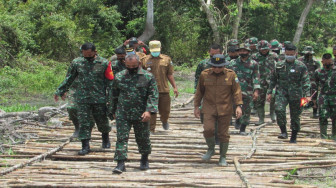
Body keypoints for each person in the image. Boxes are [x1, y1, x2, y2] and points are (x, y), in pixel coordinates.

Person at [54, 42, 113, 155]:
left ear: (95, 52)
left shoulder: (104, 63)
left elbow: (110, 82)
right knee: (84, 122)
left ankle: (105, 138)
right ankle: (85, 146)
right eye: (84, 54)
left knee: (102, 120)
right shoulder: (77, 62)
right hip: (82, 98)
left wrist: (110, 97)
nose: (87, 57)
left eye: (89, 54)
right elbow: (69, 78)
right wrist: (60, 90)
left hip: (99, 98)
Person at [111, 54, 158, 174]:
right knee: (121, 138)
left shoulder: (148, 77)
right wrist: (112, 111)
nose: (131, 68)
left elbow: (153, 95)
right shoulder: (119, 76)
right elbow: (113, 95)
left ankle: (144, 159)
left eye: (134, 66)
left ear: (139, 64)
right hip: (123, 112)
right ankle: (120, 163)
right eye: (128, 66)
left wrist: (149, 111)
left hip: (141, 113)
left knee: (142, 138)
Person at [194, 54, 243, 166]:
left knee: (223, 133)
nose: (217, 69)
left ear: (224, 66)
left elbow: (237, 92)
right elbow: (199, 91)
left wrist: (239, 106)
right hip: (208, 108)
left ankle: (222, 156)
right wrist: (196, 106)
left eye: (219, 67)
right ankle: (211, 149)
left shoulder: (231, 75)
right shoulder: (204, 74)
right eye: (214, 66)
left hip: (225, 108)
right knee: (208, 129)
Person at [267, 44, 311, 143]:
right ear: (285, 53)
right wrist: (269, 92)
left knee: (295, 116)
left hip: (296, 94)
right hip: (282, 92)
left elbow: (306, 81)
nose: (289, 56)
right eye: (288, 54)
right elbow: (273, 79)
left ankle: (294, 136)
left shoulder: (301, 66)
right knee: (279, 109)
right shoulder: (279, 65)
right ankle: (283, 131)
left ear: (296, 53)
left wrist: (308, 95)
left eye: (292, 54)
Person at [142, 40, 178, 133]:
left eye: (157, 50)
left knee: (165, 111)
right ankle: (151, 129)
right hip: (149, 91)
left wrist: (175, 87)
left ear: (160, 49)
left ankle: (164, 120)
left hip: (163, 90)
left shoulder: (166, 59)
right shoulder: (144, 60)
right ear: (149, 49)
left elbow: (170, 75)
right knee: (151, 111)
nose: (155, 52)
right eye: (153, 50)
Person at [227, 44, 260, 135]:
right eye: (240, 51)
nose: (242, 53)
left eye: (244, 51)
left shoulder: (254, 64)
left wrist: (256, 90)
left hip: (248, 91)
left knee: (246, 110)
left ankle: (242, 128)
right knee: (233, 109)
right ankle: (237, 119)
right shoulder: (232, 63)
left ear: (249, 52)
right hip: (233, 91)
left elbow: (256, 78)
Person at [251, 40, 278, 125]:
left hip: (272, 81)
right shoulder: (254, 56)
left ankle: (272, 113)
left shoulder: (274, 55)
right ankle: (261, 118)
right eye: (262, 49)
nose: (264, 51)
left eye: (265, 49)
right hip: (260, 81)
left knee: (273, 97)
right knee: (260, 100)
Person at [312, 53, 336, 140]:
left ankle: (334, 136)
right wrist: (313, 100)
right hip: (323, 97)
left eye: (330, 63)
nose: (329, 65)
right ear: (322, 62)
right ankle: (323, 135)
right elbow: (314, 87)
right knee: (323, 116)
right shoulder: (318, 72)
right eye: (326, 63)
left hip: (334, 97)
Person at [298, 46, 320, 118]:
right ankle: (301, 110)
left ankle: (315, 112)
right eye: (307, 54)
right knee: (302, 96)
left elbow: (319, 72)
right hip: (302, 81)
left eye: (310, 54)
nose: (309, 56)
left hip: (313, 82)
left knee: (314, 97)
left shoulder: (315, 62)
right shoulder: (299, 60)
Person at [269, 39, 282, 123]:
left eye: (277, 50)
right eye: (274, 50)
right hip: (269, 78)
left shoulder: (282, 57)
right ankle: (272, 113)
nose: (275, 51)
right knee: (272, 97)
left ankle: (277, 113)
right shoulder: (269, 56)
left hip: (280, 79)